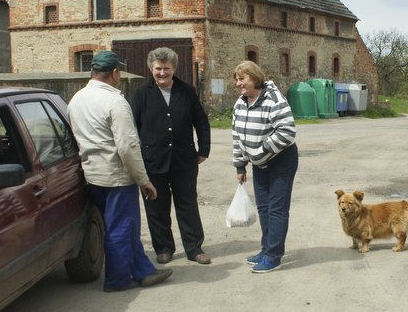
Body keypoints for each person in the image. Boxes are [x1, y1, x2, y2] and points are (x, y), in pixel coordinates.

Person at [67, 50, 172, 292]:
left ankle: (143, 271)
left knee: (124, 226)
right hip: (116, 176)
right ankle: (117, 280)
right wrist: (143, 180)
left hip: (93, 174)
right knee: (121, 229)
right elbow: (128, 147)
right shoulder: (115, 102)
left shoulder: (77, 99)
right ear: (115, 73)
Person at [130, 47, 212, 265]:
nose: (162, 73)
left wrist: (203, 149)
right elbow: (132, 128)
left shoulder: (187, 91)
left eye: (166, 69)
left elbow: (201, 121)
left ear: (174, 68)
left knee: (187, 205)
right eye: (158, 69)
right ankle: (164, 247)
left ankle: (194, 248)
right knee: (156, 207)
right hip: (152, 161)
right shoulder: (140, 94)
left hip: (183, 160)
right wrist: (137, 158)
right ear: (151, 69)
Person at [232, 60, 299, 273]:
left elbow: (287, 132)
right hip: (258, 163)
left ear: (254, 78)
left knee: (277, 209)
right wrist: (240, 165)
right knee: (263, 208)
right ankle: (266, 249)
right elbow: (237, 136)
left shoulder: (274, 99)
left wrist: (262, 150)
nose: (238, 84)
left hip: (281, 160)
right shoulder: (240, 103)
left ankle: (273, 256)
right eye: (236, 79)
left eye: (242, 79)